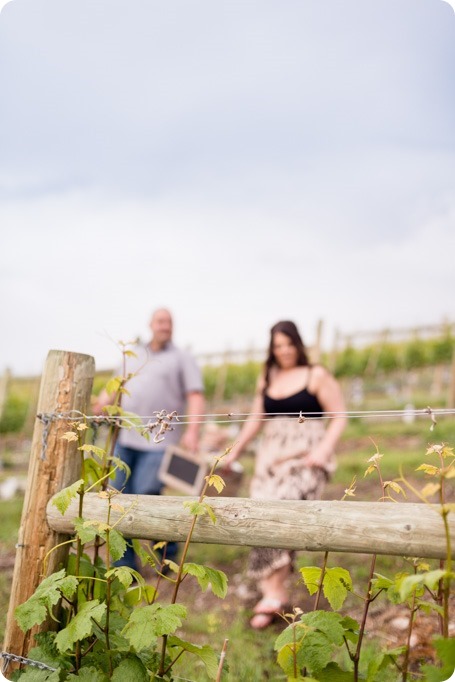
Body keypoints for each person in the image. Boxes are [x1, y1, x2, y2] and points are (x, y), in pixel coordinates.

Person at [223, 320, 347, 629]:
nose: (284, 350)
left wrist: (322, 451)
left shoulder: (315, 375)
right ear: (272, 349)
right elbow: (256, 419)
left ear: (298, 345)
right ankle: (271, 591)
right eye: (278, 345)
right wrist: (233, 451)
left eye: (289, 344)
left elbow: (340, 416)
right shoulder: (268, 375)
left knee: (285, 512)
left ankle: (273, 593)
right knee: (261, 515)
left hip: (306, 457)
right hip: (271, 458)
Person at [93, 308, 204, 570]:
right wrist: (101, 405)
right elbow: (114, 386)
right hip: (124, 438)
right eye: (160, 322)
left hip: (160, 442)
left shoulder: (182, 358)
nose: (164, 326)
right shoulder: (134, 355)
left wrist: (193, 432)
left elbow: (196, 395)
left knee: (147, 494)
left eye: (169, 322)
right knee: (117, 500)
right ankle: (125, 566)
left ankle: (168, 554)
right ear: (151, 324)